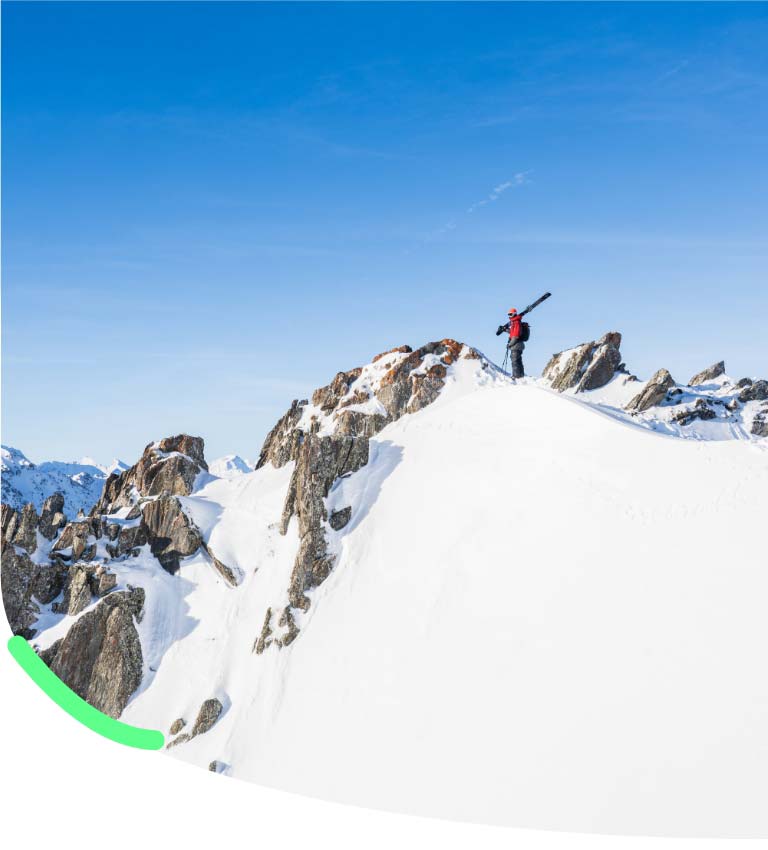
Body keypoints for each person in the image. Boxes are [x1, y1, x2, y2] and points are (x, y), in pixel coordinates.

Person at [496, 308, 525, 378]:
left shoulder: (516, 323)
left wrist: (509, 345)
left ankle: (516, 376)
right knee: (518, 360)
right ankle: (521, 376)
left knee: (514, 360)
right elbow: (513, 332)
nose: (509, 316)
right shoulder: (515, 322)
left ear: (514, 314)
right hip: (518, 344)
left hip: (516, 345)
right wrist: (505, 330)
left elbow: (515, 336)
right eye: (508, 314)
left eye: (511, 314)